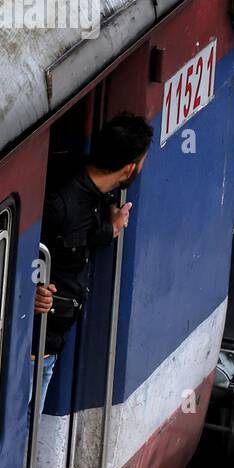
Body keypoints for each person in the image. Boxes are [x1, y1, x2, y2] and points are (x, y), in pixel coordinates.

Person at [32, 112, 152, 413]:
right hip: (33, 349)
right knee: (23, 426)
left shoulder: (95, 195)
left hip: (51, 342)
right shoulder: (59, 203)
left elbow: (79, 235)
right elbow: (22, 255)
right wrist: (30, 292)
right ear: (130, 168)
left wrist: (110, 229)